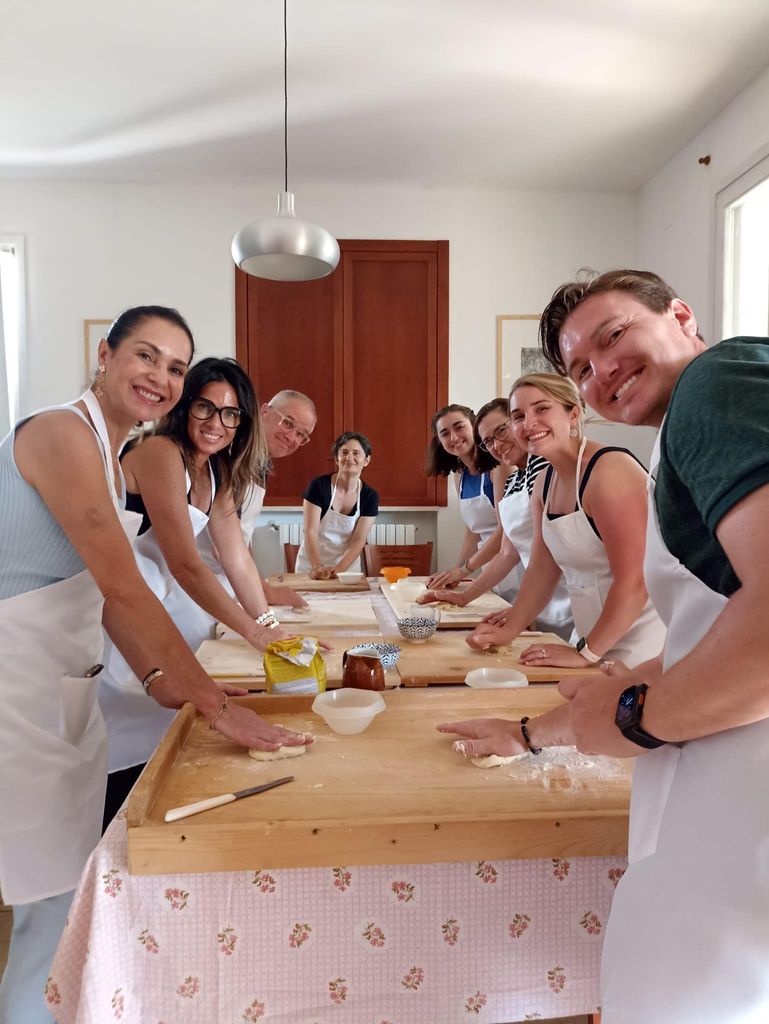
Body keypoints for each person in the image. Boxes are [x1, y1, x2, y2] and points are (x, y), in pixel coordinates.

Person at [0, 307, 307, 1024]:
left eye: (175, 366)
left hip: (62, 691)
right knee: (49, 913)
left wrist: (167, 683)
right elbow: (124, 584)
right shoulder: (59, 432)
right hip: (17, 692)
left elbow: (101, 602)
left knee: (70, 900)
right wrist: (215, 701)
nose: (161, 377)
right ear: (104, 355)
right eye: (147, 356)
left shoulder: (110, 455)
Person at [534, 269, 769, 1024]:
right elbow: (712, 626)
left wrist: (636, 716)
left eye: (612, 337)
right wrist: (539, 729)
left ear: (680, 316)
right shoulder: (687, 437)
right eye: (580, 369)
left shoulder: (714, 382)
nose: (602, 370)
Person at [99, 357, 306, 828]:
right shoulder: (158, 453)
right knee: (120, 748)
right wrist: (255, 635)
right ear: (184, 406)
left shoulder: (216, 473)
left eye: (230, 414)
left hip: (157, 611)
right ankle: (112, 848)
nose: (217, 424)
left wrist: (274, 630)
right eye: (205, 409)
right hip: (118, 617)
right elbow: (186, 564)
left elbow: (236, 559)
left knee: (163, 735)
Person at [463, 373, 664, 668]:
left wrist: (587, 653)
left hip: (641, 644)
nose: (528, 423)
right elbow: (543, 569)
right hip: (590, 637)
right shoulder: (544, 482)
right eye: (518, 416)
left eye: (542, 409)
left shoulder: (609, 472)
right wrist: (509, 630)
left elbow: (636, 581)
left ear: (573, 414)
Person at [420, 398, 573, 638]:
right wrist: (462, 583)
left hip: (552, 582)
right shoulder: (514, 479)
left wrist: (464, 570)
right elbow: (502, 547)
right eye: (489, 440)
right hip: (518, 575)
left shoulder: (537, 469)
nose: (497, 445)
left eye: (501, 431)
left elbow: (511, 535)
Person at [197, 388, 318, 608]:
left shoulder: (261, 463)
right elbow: (221, 545)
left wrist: (259, 586)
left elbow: (242, 533)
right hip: (199, 585)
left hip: (228, 582)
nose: (292, 438)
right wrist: (264, 593)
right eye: (288, 423)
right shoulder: (232, 454)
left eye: (301, 434)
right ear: (264, 412)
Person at [424, 404, 519, 600]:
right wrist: (456, 573)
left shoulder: (499, 467)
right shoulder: (459, 475)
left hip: (517, 563)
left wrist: (465, 570)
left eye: (459, 427)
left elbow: (505, 530)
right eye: (445, 433)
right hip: (490, 567)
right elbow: (473, 530)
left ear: (475, 427)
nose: (454, 437)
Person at [295, 432, 379, 578]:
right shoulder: (318, 486)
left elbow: (358, 540)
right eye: (344, 452)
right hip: (311, 564)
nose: (349, 458)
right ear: (336, 458)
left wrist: (340, 568)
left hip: (347, 568)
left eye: (356, 453)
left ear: (367, 460)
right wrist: (317, 566)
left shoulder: (370, 496)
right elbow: (310, 532)